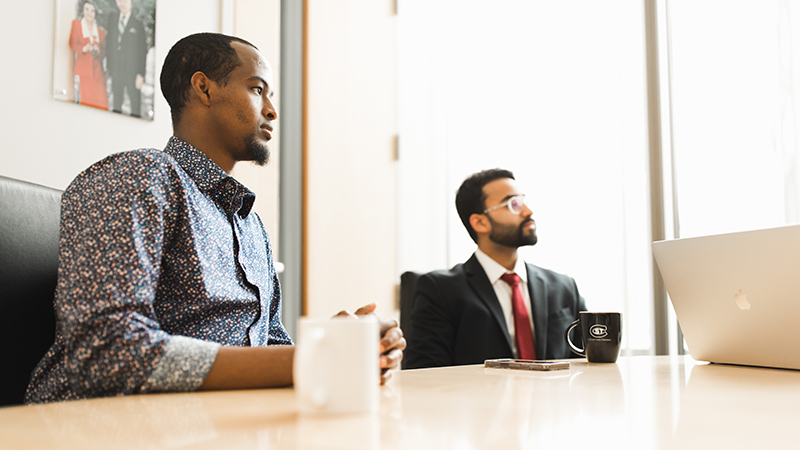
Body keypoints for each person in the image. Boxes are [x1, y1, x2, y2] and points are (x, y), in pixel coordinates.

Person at [25, 32, 405, 404]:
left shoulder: (251, 225)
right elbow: (109, 354)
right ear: (204, 89)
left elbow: (270, 350)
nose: (272, 110)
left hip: (218, 426)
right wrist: (315, 358)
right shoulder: (139, 176)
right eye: (258, 89)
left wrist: (339, 345)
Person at [404, 169, 586, 369]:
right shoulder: (440, 290)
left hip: (555, 399)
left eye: (523, 201)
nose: (528, 211)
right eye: (513, 204)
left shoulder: (564, 286)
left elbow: (589, 360)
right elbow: (424, 374)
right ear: (480, 222)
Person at [105, 0, 147, 117]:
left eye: (125, 1)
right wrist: (109, 67)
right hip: (116, 70)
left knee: (135, 105)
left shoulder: (138, 25)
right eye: (120, 0)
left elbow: (142, 52)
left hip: (132, 73)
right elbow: (109, 44)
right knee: (117, 103)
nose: (122, 3)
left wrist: (141, 74)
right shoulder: (112, 20)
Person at [68, 0, 108, 110]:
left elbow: (104, 52)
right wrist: (85, 48)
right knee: (86, 102)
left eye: (92, 11)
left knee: (102, 102)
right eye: (87, 10)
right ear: (83, 10)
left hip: (98, 72)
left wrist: (98, 50)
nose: (89, 13)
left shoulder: (101, 32)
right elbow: (72, 43)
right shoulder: (77, 25)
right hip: (84, 71)